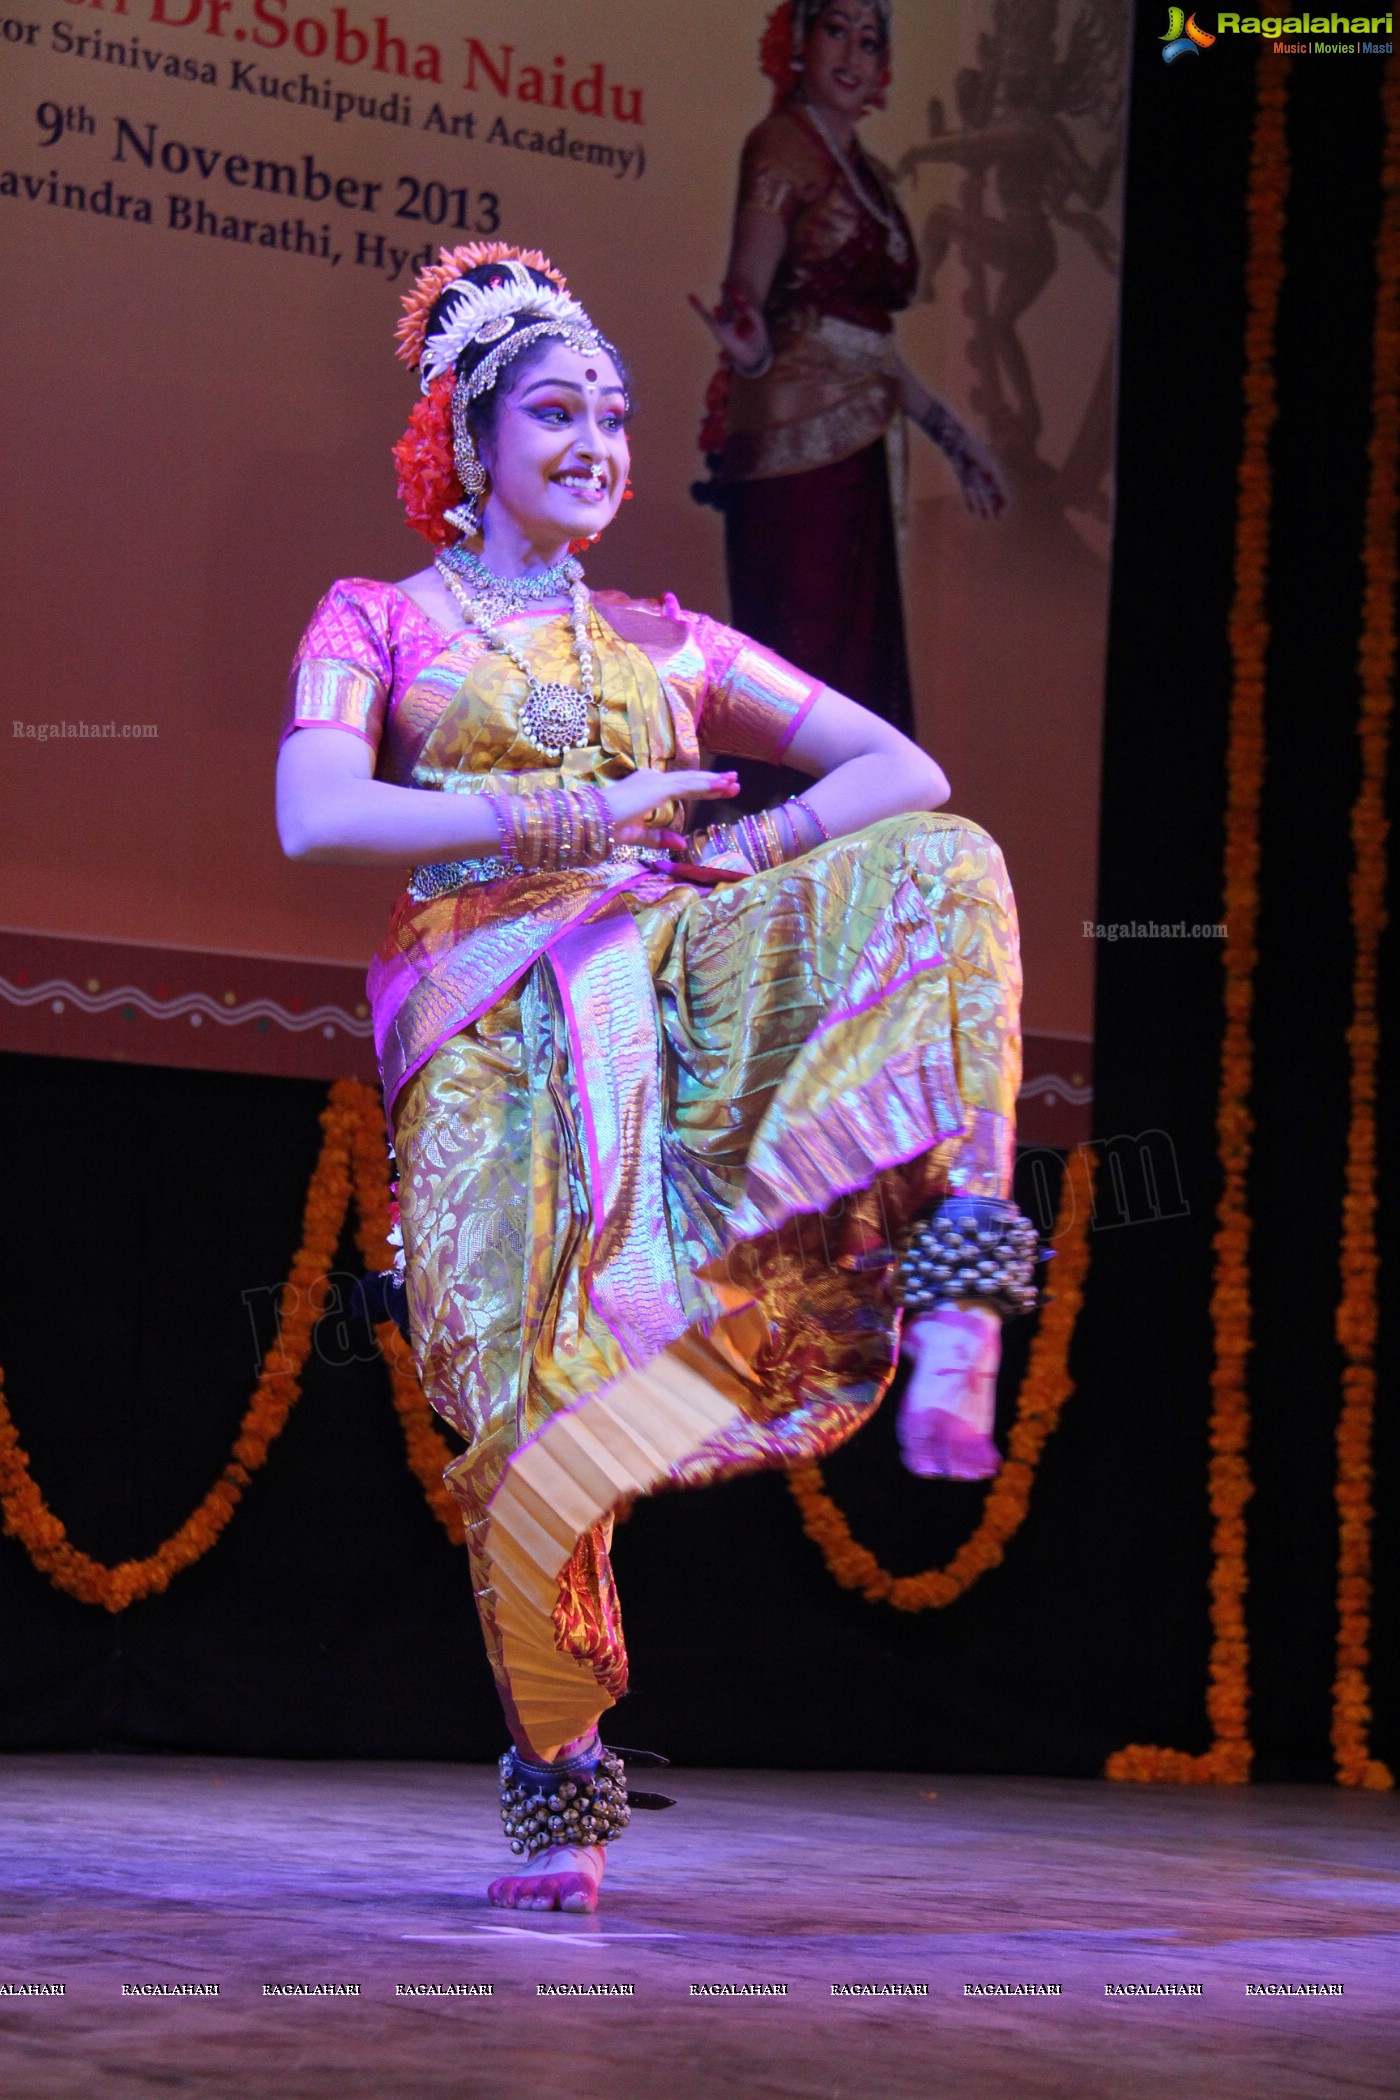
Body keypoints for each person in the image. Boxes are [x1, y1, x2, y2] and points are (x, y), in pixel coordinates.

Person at [276, 242, 1034, 1916]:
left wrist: (737, 848)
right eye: (557, 413)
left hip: (662, 999)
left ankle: (961, 1289)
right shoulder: (378, 620)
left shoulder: (670, 642)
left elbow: (899, 766)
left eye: (616, 417)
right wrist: (548, 824)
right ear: (469, 444)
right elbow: (317, 816)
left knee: (945, 863)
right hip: (480, 1023)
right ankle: (561, 1780)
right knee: (520, 1398)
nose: (600, 443)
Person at [692, 0, 1005, 805]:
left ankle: (854, 888)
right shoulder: (779, 144)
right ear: (797, 42)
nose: (853, 54)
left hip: (860, 449)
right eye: (837, 30)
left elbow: (872, 347)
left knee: (857, 682)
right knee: (798, 675)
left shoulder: (866, 168)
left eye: (872, 41)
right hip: (793, 455)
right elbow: (750, 306)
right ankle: (764, 880)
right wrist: (750, 347)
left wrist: (952, 434)